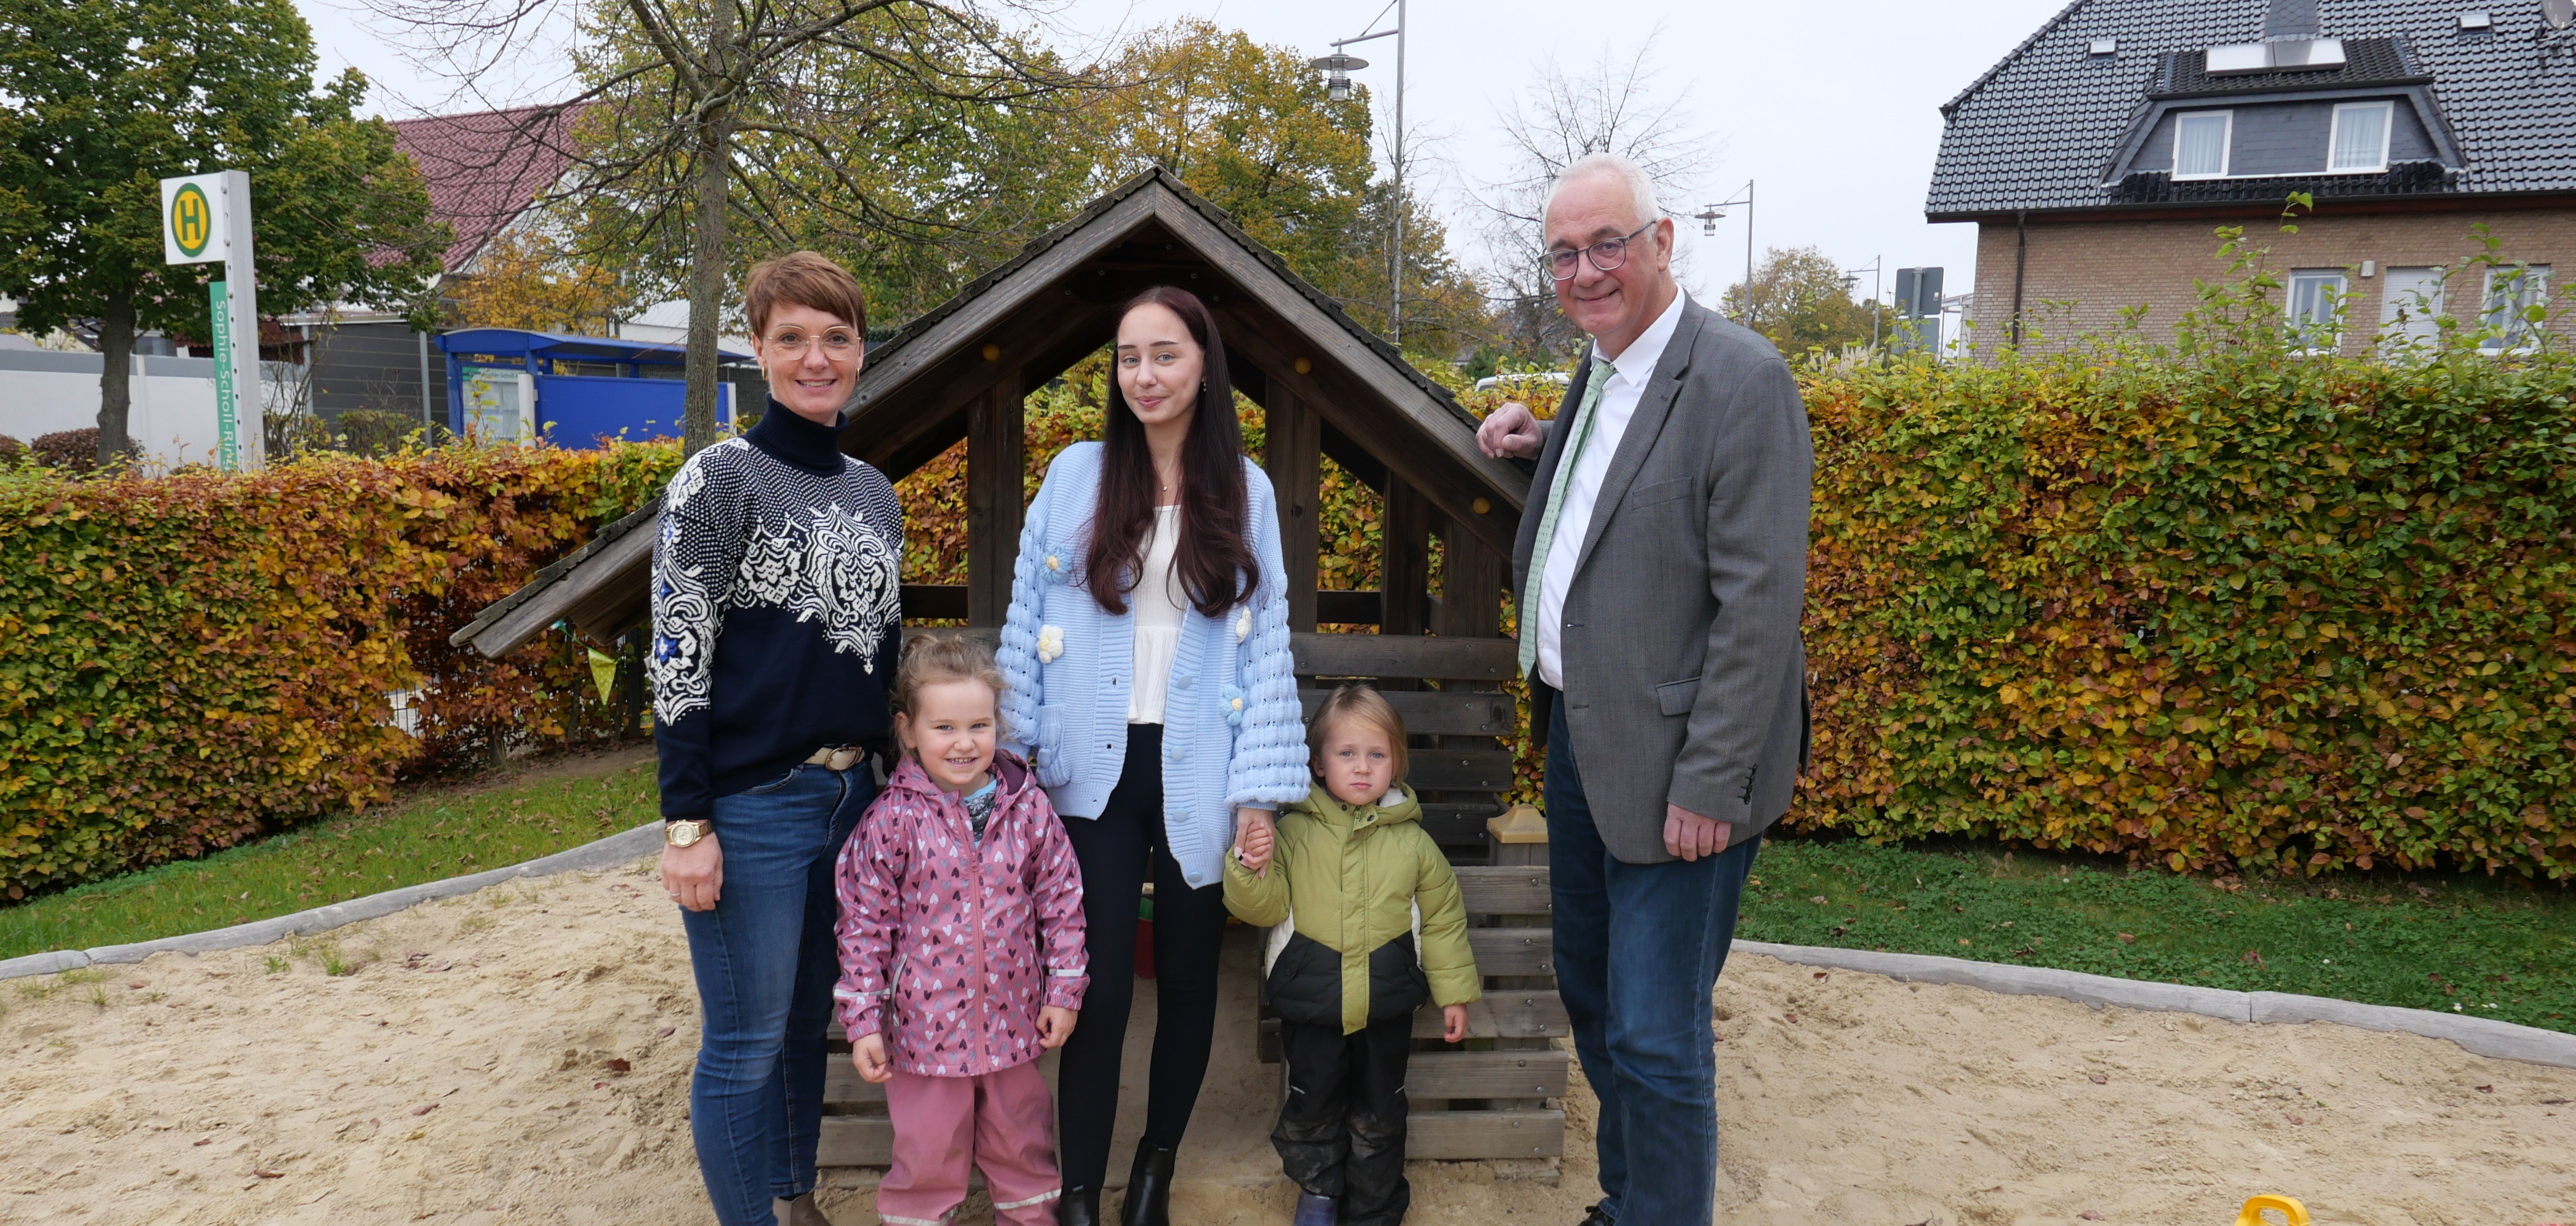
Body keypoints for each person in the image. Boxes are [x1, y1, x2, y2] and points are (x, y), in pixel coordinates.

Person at [1474, 152, 1813, 1226]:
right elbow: (1627, 501)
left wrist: (1710, 783)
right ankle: (1631, 1201)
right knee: (1593, 995)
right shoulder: (1603, 367)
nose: (1584, 270)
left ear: (1661, 241)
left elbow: (1758, 607)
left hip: (1684, 763)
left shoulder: (1739, 377)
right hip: (1583, 735)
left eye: (1606, 243)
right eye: (1564, 252)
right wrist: (1540, 445)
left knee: (1657, 1031)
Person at [994, 284, 1310, 1226]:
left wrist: (1256, 794)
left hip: (1200, 771)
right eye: (1128, 357)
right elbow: (1024, 622)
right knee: (1086, 983)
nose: (1144, 375)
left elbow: (1267, 646)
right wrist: (1010, 763)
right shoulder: (1074, 477)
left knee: (1185, 977)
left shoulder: (1243, 491)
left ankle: (1154, 1172)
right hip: (1087, 776)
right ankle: (1080, 1189)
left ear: (1204, 366)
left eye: (1164, 355)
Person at [652, 250, 906, 1226]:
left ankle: (795, 1197)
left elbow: (875, 658)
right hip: (752, 803)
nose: (815, 356)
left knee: (808, 1023)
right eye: (792, 337)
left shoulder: (875, 493)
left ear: (860, 352)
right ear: (757, 349)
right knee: (745, 1039)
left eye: (835, 337)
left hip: (853, 803)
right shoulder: (717, 480)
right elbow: (678, 652)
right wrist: (686, 822)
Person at [834, 632, 1089, 1226]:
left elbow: (1061, 900)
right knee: (927, 1157)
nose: (963, 742)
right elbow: (862, 927)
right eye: (943, 727)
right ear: (907, 730)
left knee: (1023, 1150)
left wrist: (1063, 991)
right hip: (922, 1037)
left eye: (978, 724)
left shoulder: (1028, 808)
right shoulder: (890, 820)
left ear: (997, 725)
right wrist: (863, 1019)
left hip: (1013, 1022)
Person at [1223, 684, 1478, 1226]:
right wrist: (1249, 865)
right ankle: (1318, 1194)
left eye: (1377, 754)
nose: (1362, 767)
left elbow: (1442, 921)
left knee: (1381, 1112)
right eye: (1347, 753)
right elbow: (1263, 910)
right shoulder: (1291, 832)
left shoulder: (1414, 843)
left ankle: (1375, 1209)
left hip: (1385, 1008)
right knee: (1311, 1104)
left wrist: (1454, 992)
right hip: (1312, 1004)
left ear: (1396, 764)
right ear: (1317, 762)